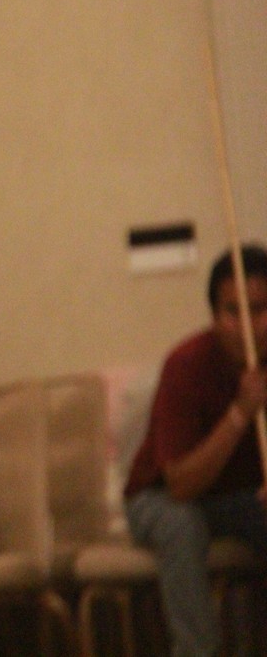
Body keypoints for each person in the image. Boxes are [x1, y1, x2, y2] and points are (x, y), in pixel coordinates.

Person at [124, 245, 267, 657]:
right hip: (159, 496)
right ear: (214, 316)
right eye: (232, 312)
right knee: (182, 524)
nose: (246, 326)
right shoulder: (186, 365)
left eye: (259, 310)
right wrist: (240, 413)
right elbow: (181, 485)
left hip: (239, 499)